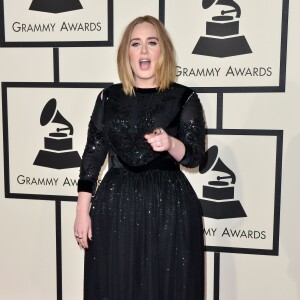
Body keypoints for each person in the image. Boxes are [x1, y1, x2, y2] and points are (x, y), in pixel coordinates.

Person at [74, 15, 206, 300]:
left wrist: (171, 143)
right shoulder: (108, 98)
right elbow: (93, 155)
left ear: (163, 51)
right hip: (115, 206)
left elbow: (195, 156)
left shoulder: (184, 97)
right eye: (136, 44)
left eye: (151, 43)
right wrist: (82, 211)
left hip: (169, 208)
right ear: (127, 53)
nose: (144, 51)